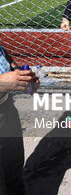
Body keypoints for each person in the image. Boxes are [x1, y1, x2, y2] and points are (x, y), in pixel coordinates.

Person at [0, 41, 38, 195]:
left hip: (5, 108)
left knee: (13, 172)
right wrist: (2, 82)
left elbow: (3, 55)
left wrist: (18, 73)